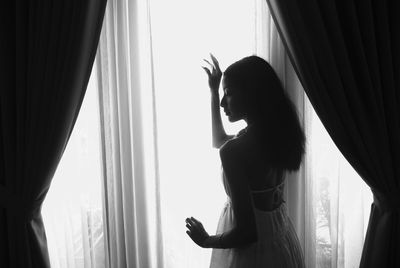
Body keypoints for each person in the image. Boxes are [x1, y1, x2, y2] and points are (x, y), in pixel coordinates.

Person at [185, 54, 306, 267]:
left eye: (228, 93)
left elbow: (247, 233)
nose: (223, 101)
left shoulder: (236, 150)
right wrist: (214, 91)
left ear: (253, 94)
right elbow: (219, 141)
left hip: (253, 255)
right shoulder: (275, 134)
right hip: (281, 243)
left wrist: (206, 240)